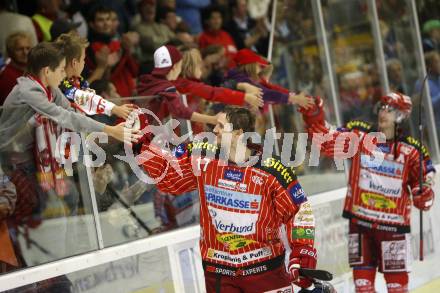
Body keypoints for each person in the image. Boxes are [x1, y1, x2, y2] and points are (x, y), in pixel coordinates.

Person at [140, 106, 317, 292]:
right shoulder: (204, 160)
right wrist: (141, 142)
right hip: (219, 273)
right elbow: (168, 177)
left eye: (221, 126)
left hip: (266, 271)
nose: (214, 130)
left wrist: (302, 255)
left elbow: (299, 212)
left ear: (238, 133)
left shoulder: (272, 170)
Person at [299, 92, 436, 293]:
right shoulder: (361, 135)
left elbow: (424, 189)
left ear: (402, 116)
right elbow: (327, 143)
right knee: (363, 288)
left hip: (393, 229)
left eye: (390, 110)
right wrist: (313, 115)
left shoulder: (412, 150)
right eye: (382, 107)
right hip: (360, 225)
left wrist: (423, 195)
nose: (384, 112)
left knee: (397, 288)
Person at [174, 47, 263, 134]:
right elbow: (214, 93)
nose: (202, 65)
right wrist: (244, 96)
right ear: (190, 67)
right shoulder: (185, 85)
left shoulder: (188, 83)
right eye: (199, 62)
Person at [137, 45, 218, 126]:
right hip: (150, 132)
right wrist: (212, 119)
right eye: (180, 66)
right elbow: (181, 111)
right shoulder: (167, 87)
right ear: (175, 67)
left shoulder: (147, 80)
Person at [0, 32, 32, 104]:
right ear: (10, 52)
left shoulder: (32, 70)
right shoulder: (7, 77)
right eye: (20, 49)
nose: (25, 52)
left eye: (28, 48)